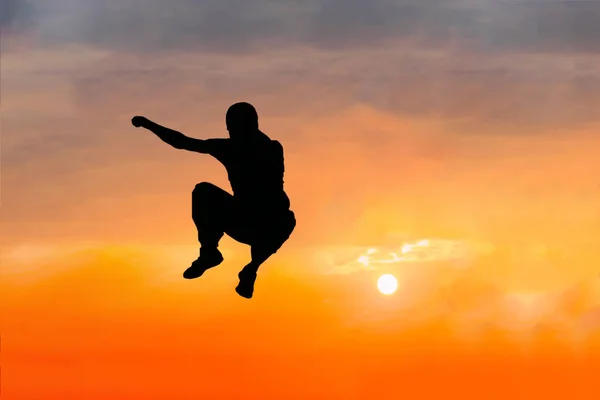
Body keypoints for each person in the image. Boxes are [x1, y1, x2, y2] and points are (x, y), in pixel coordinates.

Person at [131, 102, 296, 298]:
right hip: (245, 220)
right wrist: (149, 125)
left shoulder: (261, 148)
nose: (231, 131)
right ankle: (212, 253)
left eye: (233, 127)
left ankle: (250, 269)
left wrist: (147, 124)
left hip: (265, 225)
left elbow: (183, 142)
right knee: (203, 192)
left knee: (286, 218)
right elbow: (182, 142)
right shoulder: (245, 147)